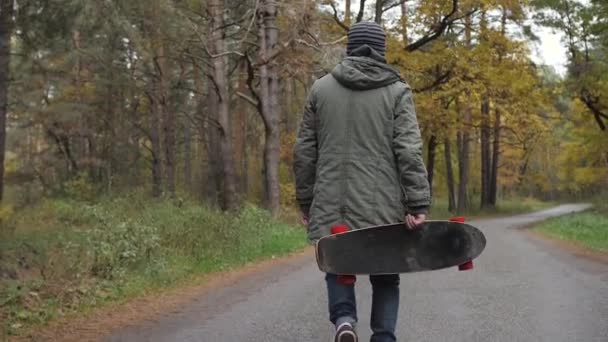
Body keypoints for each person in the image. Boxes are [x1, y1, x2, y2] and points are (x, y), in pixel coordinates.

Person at [293, 21, 431, 342]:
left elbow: (304, 151)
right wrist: (417, 203)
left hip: (331, 201)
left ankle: (344, 321)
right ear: (380, 50)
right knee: (385, 276)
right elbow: (408, 150)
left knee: (338, 263)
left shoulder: (321, 88)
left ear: (349, 48)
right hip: (383, 206)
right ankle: (383, 336)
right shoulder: (398, 91)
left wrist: (305, 200)